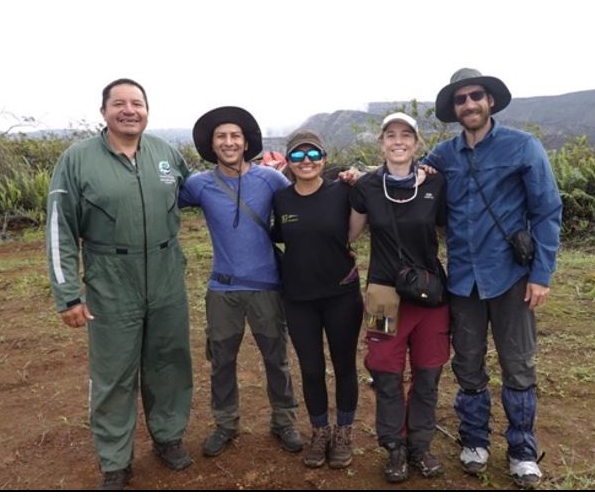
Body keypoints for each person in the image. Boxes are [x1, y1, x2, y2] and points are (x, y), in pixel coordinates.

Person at [46, 78, 193, 490]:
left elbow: (201, 189)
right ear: (104, 111)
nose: (129, 110)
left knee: (169, 361)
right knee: (113, 373)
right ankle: (114, 460)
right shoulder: (77, 160)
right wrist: (68, 294)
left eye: (138, 103)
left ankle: (168, 437)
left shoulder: (165, 153)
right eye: (119, 104)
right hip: (111, 277)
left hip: (165, 272)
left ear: (148, 109)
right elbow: (60, 228)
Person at [424, 69, 562, 488]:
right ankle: (474, 439)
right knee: (467, 364)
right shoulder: (443, 156)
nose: (469, 104)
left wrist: (541, 275)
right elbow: (406, 176)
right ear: (453, 109)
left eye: (476, 96)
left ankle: (522, 449)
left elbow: (546, 211)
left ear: (491, 101)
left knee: (518, 365)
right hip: (462, 280)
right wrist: (358, 178)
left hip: (512, 277)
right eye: (461, 99)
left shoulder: (523, 147)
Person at [178, 106, 302, 459]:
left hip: (266, 287)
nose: (229, 142)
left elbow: (305, 198)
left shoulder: (270, 179)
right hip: (222, 290)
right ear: (211, 144)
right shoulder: (199, 185)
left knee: (276, 358)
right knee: (221, 361)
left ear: (246, 142)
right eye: (221, 137)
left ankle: (284, 421)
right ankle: (226, 424)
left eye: (235, 136)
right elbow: (163, 202)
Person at [348, 113, 451, 483]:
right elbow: (350, 235)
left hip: (429, 297)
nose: (398, 141)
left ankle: (419, 445)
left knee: (428, 373)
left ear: (416, 143)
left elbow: (449, 230)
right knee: (386, 373)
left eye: (406, 135)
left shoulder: (436, 185)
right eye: (390, 135)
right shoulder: (367, 186)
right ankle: (394, 447)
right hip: (382, 295)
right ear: (381, 143)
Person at [268, 129, 364, 469]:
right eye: (297, 155)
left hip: (341, 295)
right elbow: (275, 236)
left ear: (323, 158)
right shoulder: (280, 199)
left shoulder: (344, 192)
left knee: (344, 366)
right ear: (289, 162)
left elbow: (367, 208)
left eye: (312, 154)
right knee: (310, 369)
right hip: (298, 298)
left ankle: (344, 432)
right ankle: (320, 431)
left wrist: (358, 175)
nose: (305, 161)